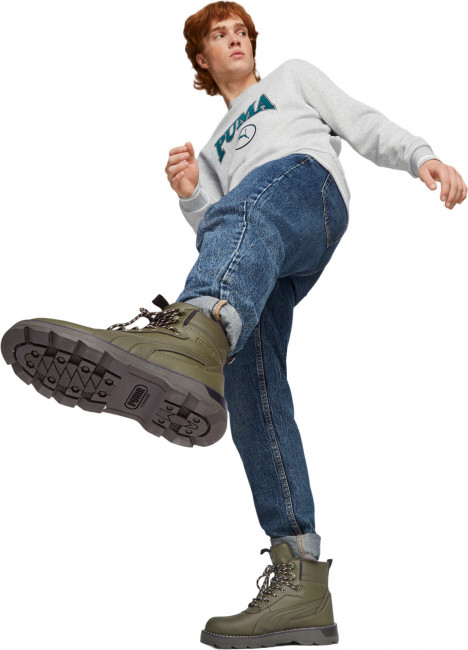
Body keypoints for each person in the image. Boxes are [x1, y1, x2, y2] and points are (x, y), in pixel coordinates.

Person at [1, 1, 466, 647]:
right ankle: (299, 575)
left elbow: (358, 121)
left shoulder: (292, 77)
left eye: (242, 31)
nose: (236, 40)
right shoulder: (215, 146)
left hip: (308, 189)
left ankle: (191, 330)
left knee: (247, 222)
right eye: (221, 35)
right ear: (202, 57)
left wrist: (420, 156)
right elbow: (221, 239)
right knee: (250, 381)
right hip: (264, 243)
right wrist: (193, 192)